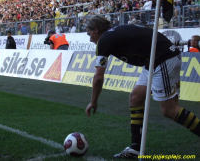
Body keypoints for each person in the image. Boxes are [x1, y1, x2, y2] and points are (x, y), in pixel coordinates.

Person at [85, 15, 200, 159]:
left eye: (89, 34)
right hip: (154, 61)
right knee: (136, 97)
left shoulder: (105, 40)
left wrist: (93, 101)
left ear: (96, 30)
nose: (90, 39)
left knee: (169, 110)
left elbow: (98, 77)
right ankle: (136, 148)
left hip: (162, 60)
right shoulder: (119, 30)